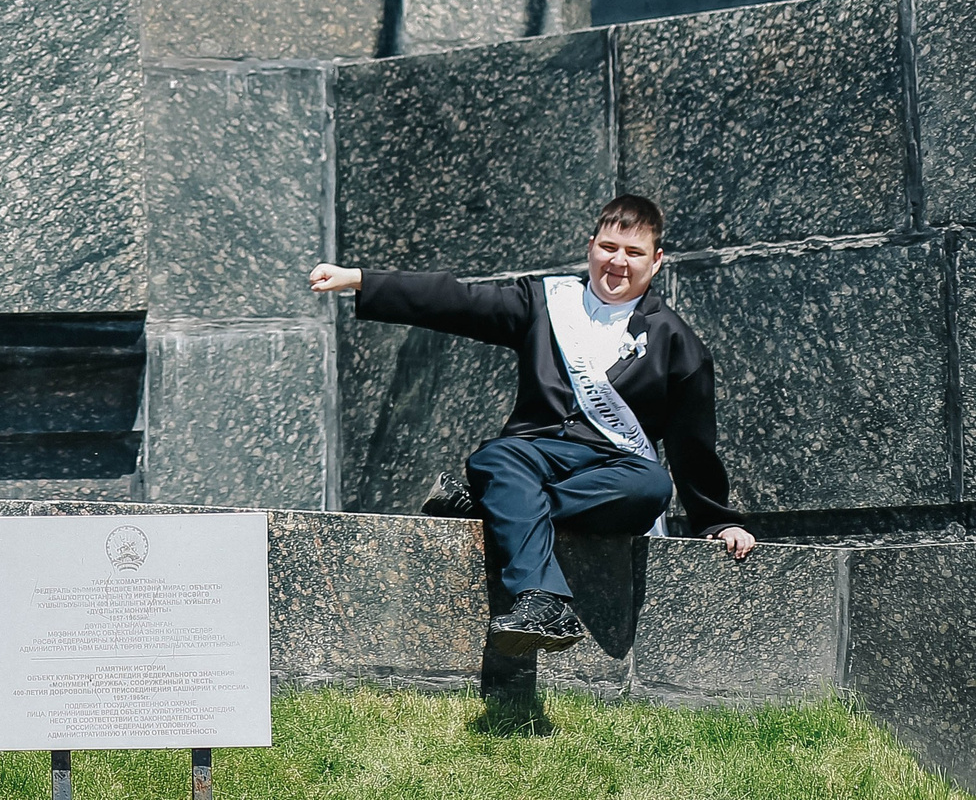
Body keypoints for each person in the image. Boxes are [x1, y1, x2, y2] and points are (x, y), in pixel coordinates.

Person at [309, 196, 759, 654]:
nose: (618, 262)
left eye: (634, 252)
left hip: (612, 468)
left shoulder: (675, 339)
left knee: (652, 486)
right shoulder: (546, 302)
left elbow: (692, 441)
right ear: (591, 247)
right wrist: (361, 279)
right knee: (496, 459)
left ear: (656, 261)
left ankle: (498, 508)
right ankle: (543, 600)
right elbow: (459, 301)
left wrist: (716, 522)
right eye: (608, 247)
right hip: (534, 454)